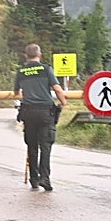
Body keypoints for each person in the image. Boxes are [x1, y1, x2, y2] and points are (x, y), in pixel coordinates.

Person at [13, 43, 67, 191]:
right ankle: (45, 178)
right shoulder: (46, 69)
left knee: (32, 146)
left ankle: (34, 179)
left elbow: (17, 92)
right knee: (45, 146)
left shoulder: (21, 71)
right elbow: (57, 89)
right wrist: (63, 102)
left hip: (28, 112)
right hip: (45, 112)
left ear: (26, 55)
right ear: (39, 54)